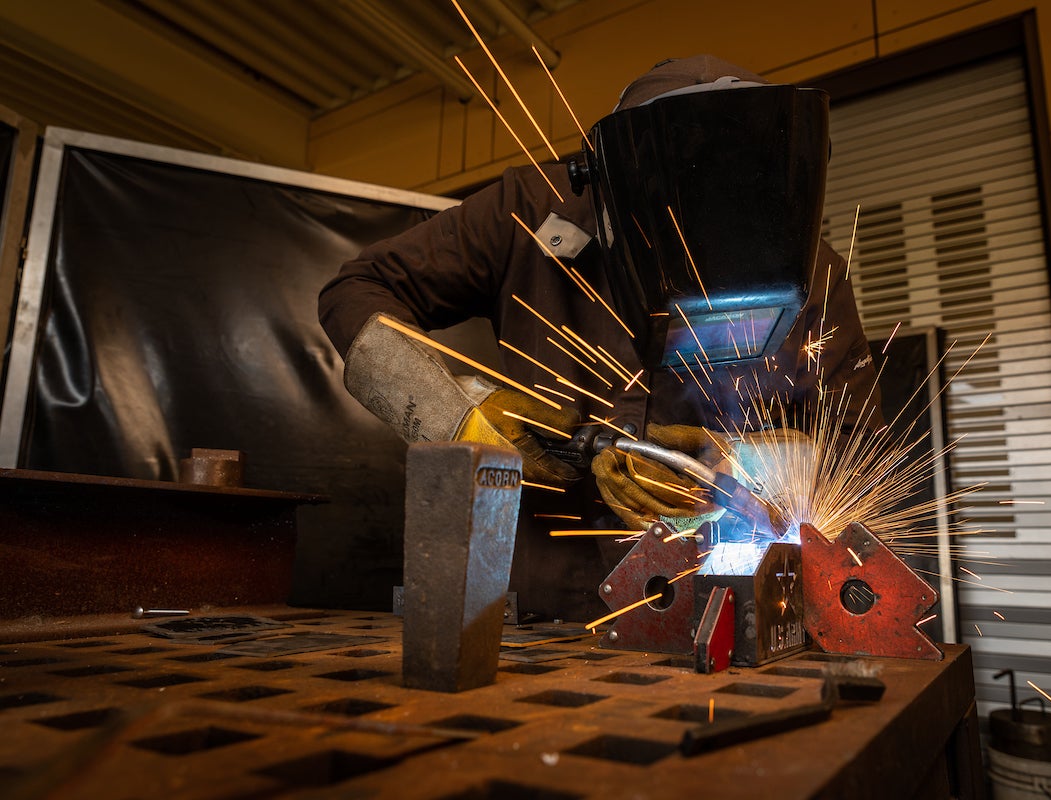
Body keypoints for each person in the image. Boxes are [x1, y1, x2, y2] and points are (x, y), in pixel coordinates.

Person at [318, 55, 880, 622]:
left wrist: (732, 467)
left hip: (724, 609)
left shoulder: (814, 274)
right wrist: (460, 414)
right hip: (541, 611)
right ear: (618, 182)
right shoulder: (532, 209)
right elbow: (357, 290)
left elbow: (855, 455)